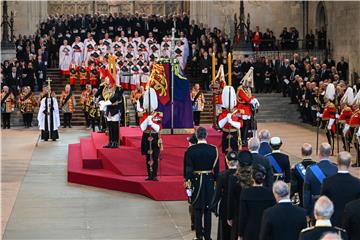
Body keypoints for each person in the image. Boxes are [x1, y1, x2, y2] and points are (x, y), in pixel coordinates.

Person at [185, 127, 219, 240]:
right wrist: (215, 182)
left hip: (195, 181)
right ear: (206, 135)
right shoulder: (213, 149)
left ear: (196, 135)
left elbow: (188, 170)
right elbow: (217, 171)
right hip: (209, 181)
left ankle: (199, 236)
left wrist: (188, 183)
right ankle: (208, 236)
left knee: (198, 209)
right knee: (208, 210)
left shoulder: (190, 150)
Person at [321, 151, 360, 227]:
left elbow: (323, 203)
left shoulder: (327, 182)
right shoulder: (357, 183)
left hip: (333, 222)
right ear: (350, 163)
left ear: (337, 163)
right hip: (352, 223)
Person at [238, 164, 276, 240]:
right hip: (266, 229)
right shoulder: (270, 193)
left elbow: (243, 216)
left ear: (252, 177)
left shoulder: (245, 193)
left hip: (250, 230)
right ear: (264, 177)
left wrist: (240, 234)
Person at [303, 142, 338, 221]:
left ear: (319, 153)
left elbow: (306, 192)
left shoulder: (310, 169)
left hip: (315, 208)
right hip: (332, 208)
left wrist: (307, 210)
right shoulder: (335, 168)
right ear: (329, 153)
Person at [211, 151, 238, 240]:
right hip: (237, 204)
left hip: (225, 205)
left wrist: (214, 207)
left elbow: (217, 193)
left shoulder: (222, 175)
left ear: (226, 161)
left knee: (224, 230)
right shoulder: (240, 175)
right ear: (237, 162)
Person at [227, 150, 253, 240]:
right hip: (252, 216)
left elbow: (230, 198)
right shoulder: (254, 178)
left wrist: (229, 216)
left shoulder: (233, 178)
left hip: (238, 214)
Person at [138, 87, 163, 181]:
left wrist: (151, 122)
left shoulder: (158, 114)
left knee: (155, 156)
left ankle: (155, 174)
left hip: (155, 136)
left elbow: (158, 128)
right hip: (146, 135)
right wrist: (147, 119)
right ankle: (149, 174)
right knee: (148, 156)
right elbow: (142, 127)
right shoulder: (143, 114)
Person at [98, 75, 124, 148]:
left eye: (108, 83)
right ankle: (110, 141)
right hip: (108, 109)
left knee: (114, 126)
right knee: (109, 126)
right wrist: (101, 101)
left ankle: (115, 142)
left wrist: (105, 103)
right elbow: (102, 96)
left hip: (115, 109)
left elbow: (115, 98)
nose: (107, 85)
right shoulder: (106, 88)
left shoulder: (118, 88)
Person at [236, 67, 259, 146]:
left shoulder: (248, 89)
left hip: (248, 109)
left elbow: (250, 96)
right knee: (243, 125)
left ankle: (245, 138)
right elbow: (246, 98)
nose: (249, 84)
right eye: (248, 82)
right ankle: (242, 139)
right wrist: (252, 100)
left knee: (247, 125)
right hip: (242, 108)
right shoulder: (240, 89)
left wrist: (254, 99)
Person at [218, 86, 243, 158]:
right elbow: (220, 125)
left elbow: (240, 125)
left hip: (235, 134)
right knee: (226, 155)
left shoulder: (237, 112)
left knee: (235, 154)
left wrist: (231, 122)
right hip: (225, 134)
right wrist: (226, 118)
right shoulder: (222, 112)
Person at [290, 143, 316, 207]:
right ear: (311, 152)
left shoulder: (296, 168)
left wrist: (290, 196)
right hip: (315, 200)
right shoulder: (317, 166)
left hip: (302, 199)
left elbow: (294, 186)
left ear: (301, 152)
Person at [184, 133, 198, 231]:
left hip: (191, 180)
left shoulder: (188, 152)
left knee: (191, 201)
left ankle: (193, 222)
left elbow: (186, 168)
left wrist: (186, 180)